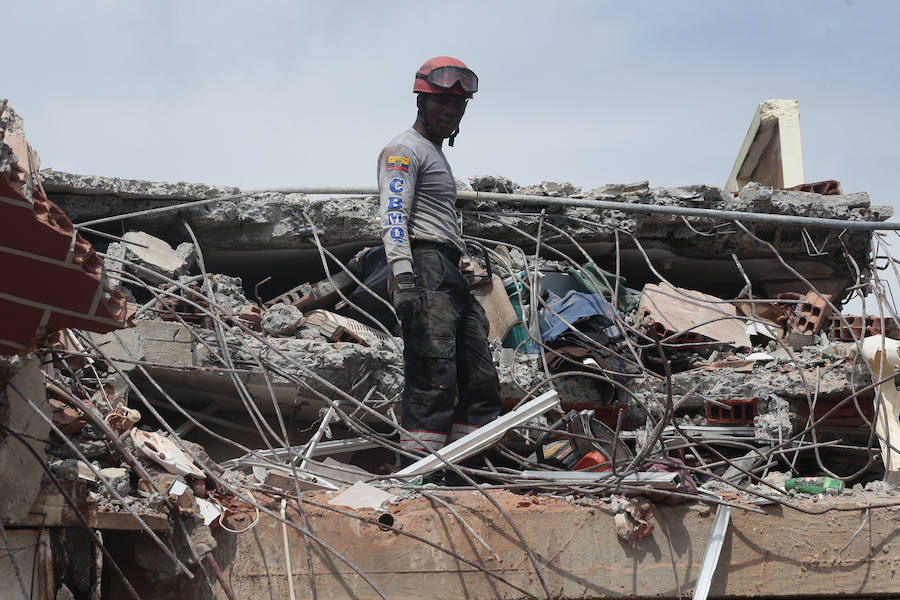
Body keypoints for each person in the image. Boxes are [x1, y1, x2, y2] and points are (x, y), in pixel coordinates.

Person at [377, 56, 501, 473]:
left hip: (448, 271)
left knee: (480, 379)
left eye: (458, 106)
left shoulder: (435, 153)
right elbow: (393, 216)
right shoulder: (403, 150)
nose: (451, 112)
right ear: (421, 102)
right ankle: (419, 480)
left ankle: (472, 472)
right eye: (442, 104)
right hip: (424, 266)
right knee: (434, 378)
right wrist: (404, 278)